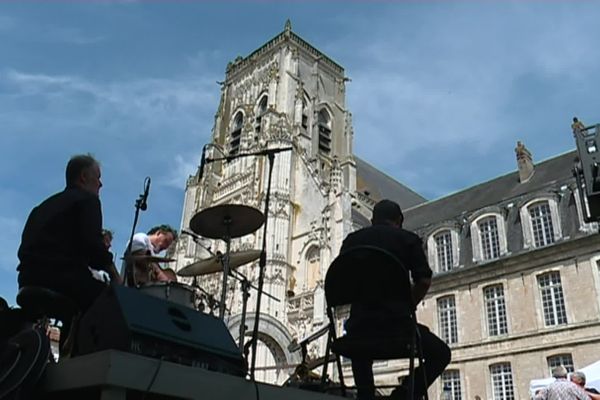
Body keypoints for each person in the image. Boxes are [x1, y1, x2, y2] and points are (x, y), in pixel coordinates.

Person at [339, 199, 451, 400]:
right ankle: (402, 395)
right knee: (441, 354)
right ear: (399, 220)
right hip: (397, 329)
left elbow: (341, 284)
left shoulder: (351, 241)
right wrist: (408, 306)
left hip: (359, 329)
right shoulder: (407, 239)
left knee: (360, 344)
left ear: (372, 220)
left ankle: (365, 395)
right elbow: (424, 280)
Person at [17, 154, 121, 351]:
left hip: (27, 279)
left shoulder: (41, 207)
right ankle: (79, 361)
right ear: (83, 177)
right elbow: (93, 247)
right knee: (111, 303)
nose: (101, 184)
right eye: (98, 177)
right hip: (60, 280)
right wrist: (115, 276)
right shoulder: (88, 201)